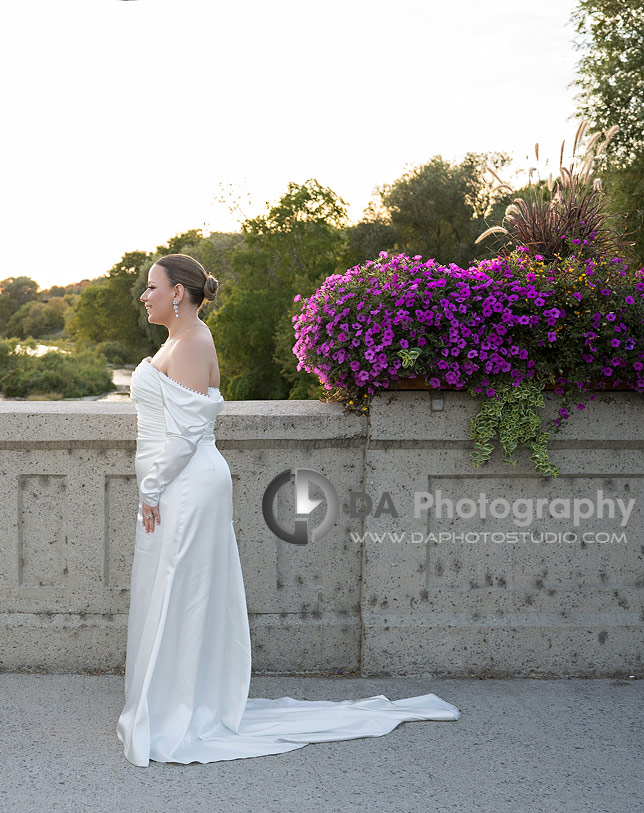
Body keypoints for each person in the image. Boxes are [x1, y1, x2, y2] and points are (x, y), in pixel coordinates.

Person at [116, 254, 457, 766]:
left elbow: (186, 435)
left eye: (151, 287)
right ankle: (169, 700)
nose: (145, 296)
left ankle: (180, 710)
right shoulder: (176, 340)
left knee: (180, 592)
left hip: (184, 485)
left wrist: (150, 490)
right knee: (170, 590)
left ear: (178, 294)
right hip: (174, 483)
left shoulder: (192, 342)